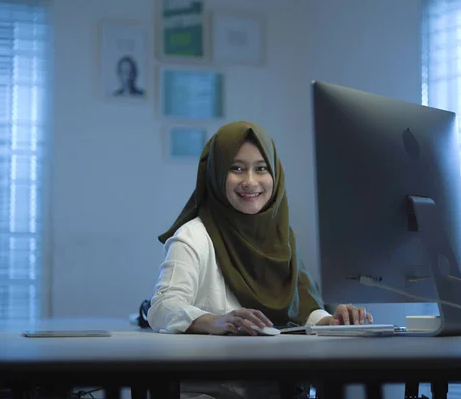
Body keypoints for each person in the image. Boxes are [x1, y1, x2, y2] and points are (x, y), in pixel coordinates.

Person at [147, 121, 373, 398]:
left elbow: (303, 308)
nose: (250, 181)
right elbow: (162, 307)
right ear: (216, 174)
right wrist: (215, 322)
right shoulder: (193, 236)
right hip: (212, 391)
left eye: (261, 168)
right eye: (236, 168)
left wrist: (334, 323)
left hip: (281, 388)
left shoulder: (282, 236)